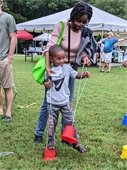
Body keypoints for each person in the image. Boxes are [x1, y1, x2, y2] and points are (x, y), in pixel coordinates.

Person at [34, 2, 98, 144]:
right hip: (55, 69)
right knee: (48, 102)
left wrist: (85, 58)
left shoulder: (85, 31)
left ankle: (66, 136)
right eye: (79, 21)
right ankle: (38, 134)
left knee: (67, 102)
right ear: (73, 16)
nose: (81, 24)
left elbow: (83, 51)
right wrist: (48, 69)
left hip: (71, 68)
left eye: (84, 22)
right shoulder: (61, 26)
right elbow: (48, 49)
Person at [45, 45, 90, 153]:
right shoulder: (48, 70)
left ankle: (75, 142)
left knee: (71, 122)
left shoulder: (67, 68)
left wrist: (83, 74)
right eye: (59, 58)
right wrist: (47, 84)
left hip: (65, 102)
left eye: (63, 58)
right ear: (51, 59)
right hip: (52, 104)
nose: (62, 61)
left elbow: (76, 75)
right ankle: (50, 145)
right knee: (51, 125)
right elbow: (46, 84)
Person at [0, 0, 17, 122]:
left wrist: (10, 57)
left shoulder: (8, 18)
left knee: (7, 87)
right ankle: (0, 109)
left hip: (4, 58)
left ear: (1, 3)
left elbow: (13, 37)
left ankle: (8, 112)